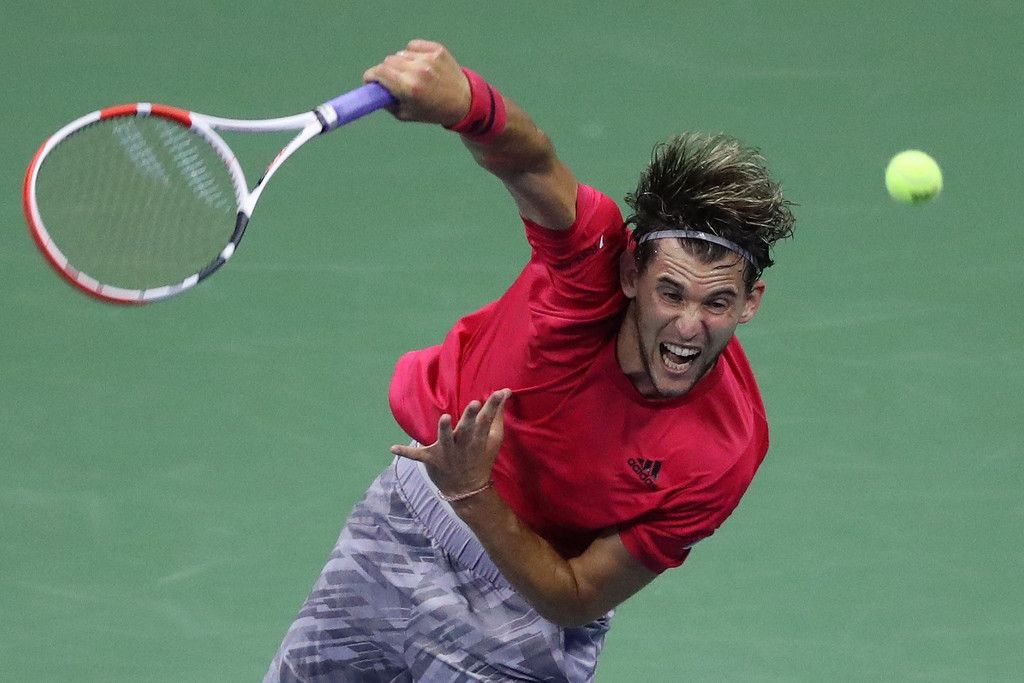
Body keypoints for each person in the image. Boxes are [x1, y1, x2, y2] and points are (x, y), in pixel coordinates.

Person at [266, 39, 794, 682]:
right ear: (631, 274)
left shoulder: (726, 448)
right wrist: (466, 102)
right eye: (671, 293)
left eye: (717, 302)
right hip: (398, 532)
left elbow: (576, 595)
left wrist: (474, 493)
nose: (688, 326)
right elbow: (531, 162)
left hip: (524, 614)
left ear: (750, 303)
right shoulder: (586, 266)